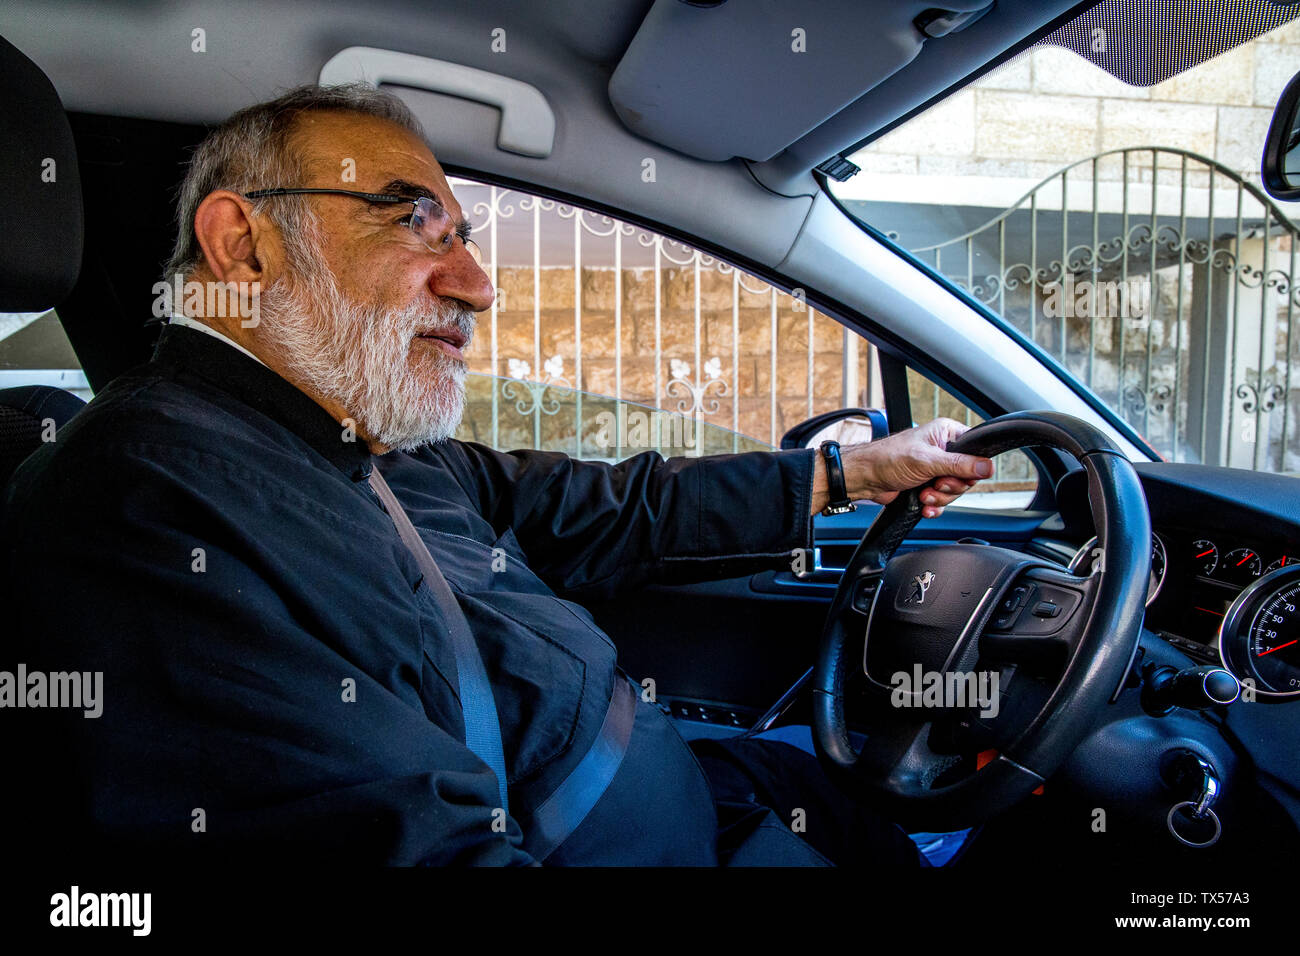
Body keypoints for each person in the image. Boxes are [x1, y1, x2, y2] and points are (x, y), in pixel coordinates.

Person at [1, 84, 993, 866]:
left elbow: (610, 508)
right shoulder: (138, 510)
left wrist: (854, 472)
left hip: (697, 797)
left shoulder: (368, 447)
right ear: (243, 244)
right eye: (414, 225)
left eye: (463, 241)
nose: (478, 284)